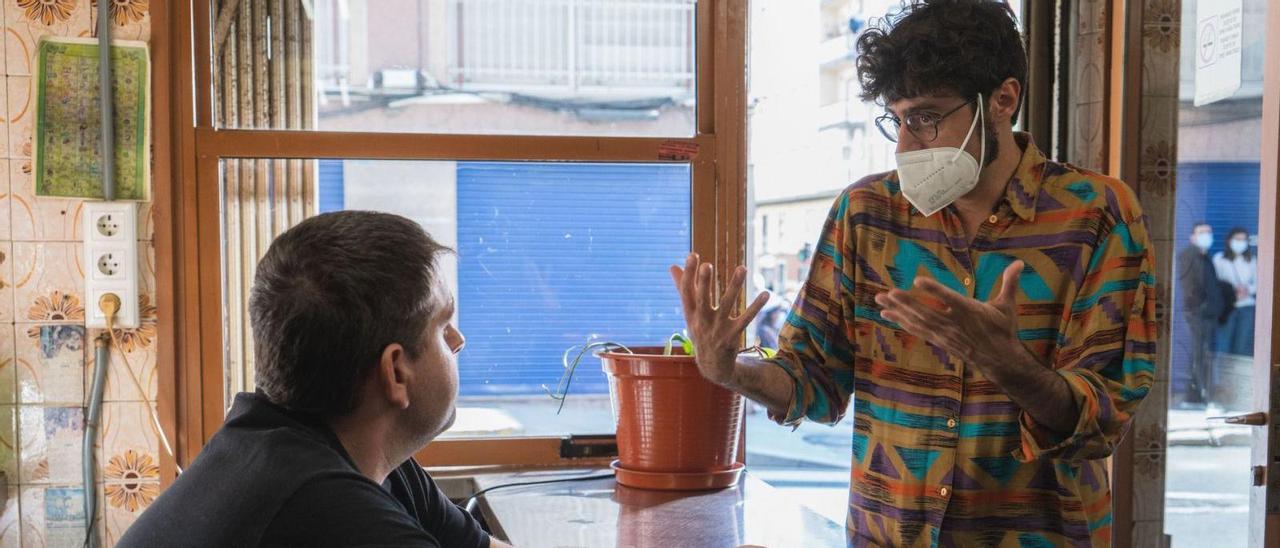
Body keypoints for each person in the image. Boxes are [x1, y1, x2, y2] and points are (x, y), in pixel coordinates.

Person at [669, 1, 1156, 545]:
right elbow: (813, 381)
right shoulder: (866, 215)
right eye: (896, 119)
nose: (904, 145)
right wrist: (729, 371)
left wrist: (1009, 365)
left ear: (1003, 99)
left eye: (926, 118)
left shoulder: (1096, 215)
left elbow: (1102, 420)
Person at [121, 211, 510, 547]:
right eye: (443, 326)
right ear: (395, 372)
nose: (458, 341)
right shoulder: (327, 509)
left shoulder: (348, 455)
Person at [1176, 222, 1226, 405]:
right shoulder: (1189, 256)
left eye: (1209, 231)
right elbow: (1190, 287)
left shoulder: (1204, 257)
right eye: (1201, 232)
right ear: (1192, 237)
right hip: (1198, 315)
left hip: (1207, 315)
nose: (1206, 235)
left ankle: (1196, 395)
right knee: (1198, 355)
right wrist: (1201, 308)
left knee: (1202, 354)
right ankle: (1197, 395)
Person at [1213, 227, 1256, 356]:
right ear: (1229, 240)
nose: (1241, 242)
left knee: (1241, 348)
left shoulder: (1252, 260)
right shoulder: (1219, 259)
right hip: (1227, 308)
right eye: (1238, 239)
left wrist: (1247, 289)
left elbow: (1260, 282)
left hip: (1247, 307)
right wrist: (1232, 291)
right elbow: (1214, 283)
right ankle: (1222, 376)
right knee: (1223, 346)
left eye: (1243, 239)